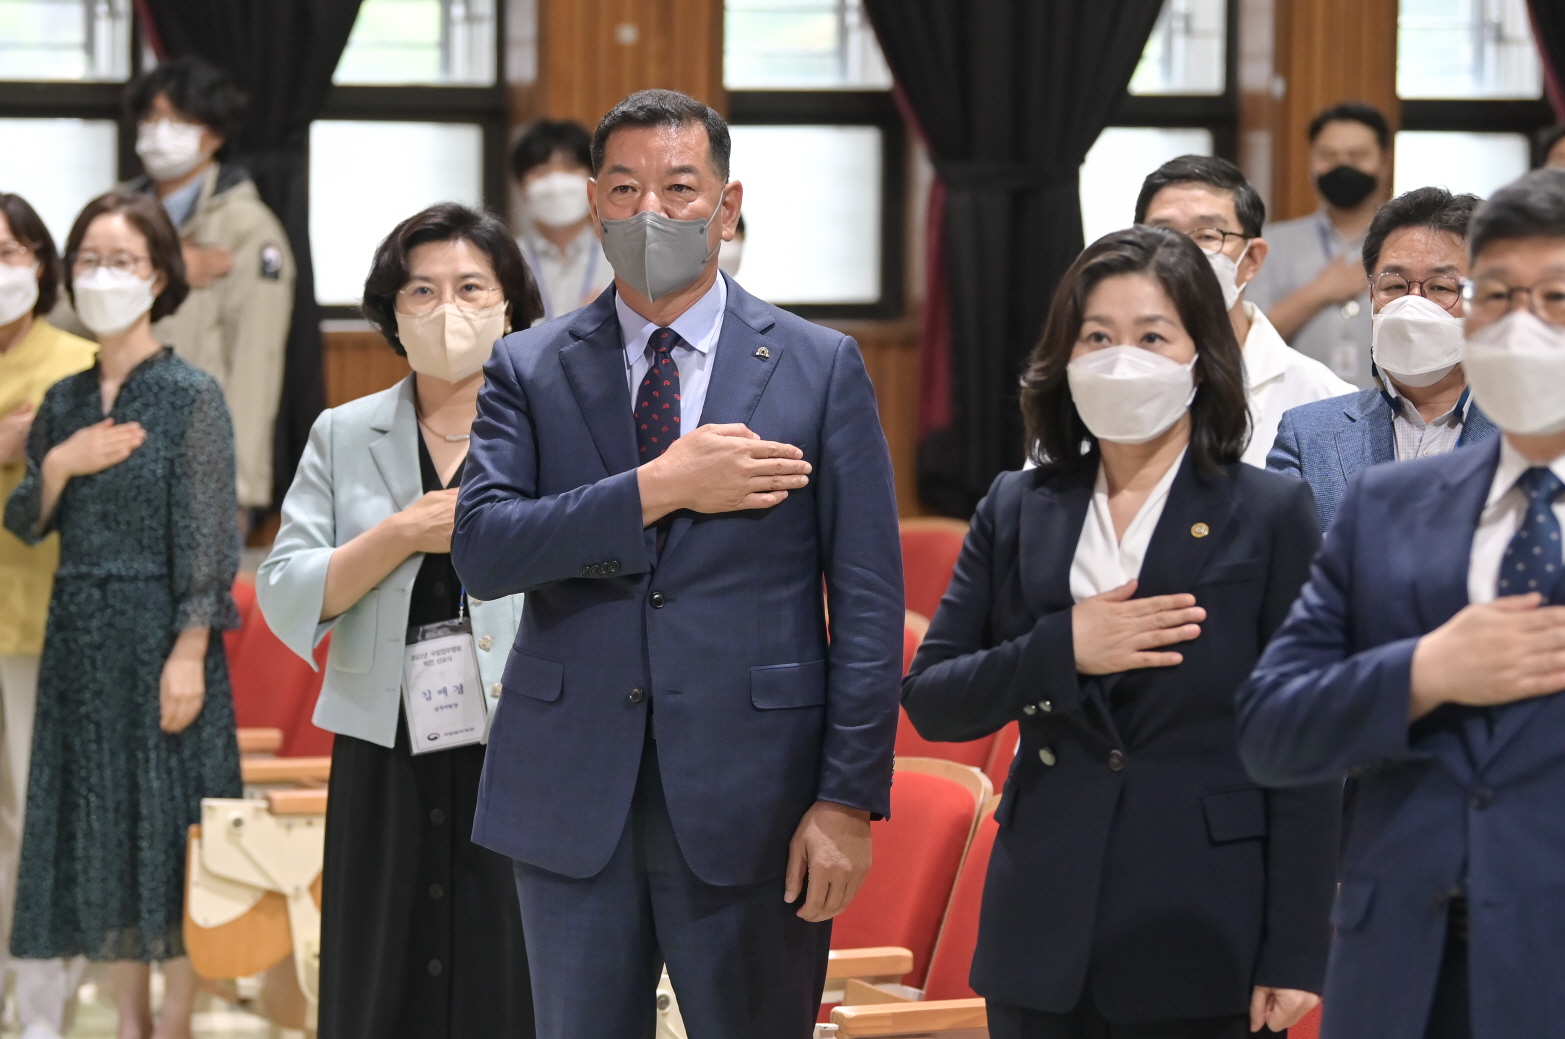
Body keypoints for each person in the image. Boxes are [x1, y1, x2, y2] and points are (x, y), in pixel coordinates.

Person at [452, 89, 903, 1038]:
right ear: (593, 203)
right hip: (571, 792)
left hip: (761, 799)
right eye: (623, 189)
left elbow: (867, 604)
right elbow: (484, 549)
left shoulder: (819, 365)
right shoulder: (528, 365)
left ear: (726, 207)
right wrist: (655, 487)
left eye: (679, 188)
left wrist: (847, 797)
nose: (649, 211)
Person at [901, 225, 1337, 1039]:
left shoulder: (1269, 510)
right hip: (1042, 926)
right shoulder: (1016, 504)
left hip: (1205, 923)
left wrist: (1296, 947)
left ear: (1201, 355)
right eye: (1097, 337)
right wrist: (1061, 649)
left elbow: (1304, 742)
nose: (1120, 359)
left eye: (1151, 336)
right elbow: (933, 699)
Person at [1237, 167, 1565, 1039]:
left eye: (1555, 298)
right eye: (1500, 295)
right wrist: (1423, 671)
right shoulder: (1387, 503)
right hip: (1398, 958)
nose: (1524, 322)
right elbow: (1271, 723)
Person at [256, 202, 542, 1039]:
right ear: (391, 310)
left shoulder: (551, 431)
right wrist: (397, 534)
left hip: (519, 735)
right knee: (378, 967)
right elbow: (286, 587)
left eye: (470, 287)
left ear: (509, 307)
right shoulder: (343, 432)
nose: (446, 308)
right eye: (421, 290)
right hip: (382, 741)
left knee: (506, 967)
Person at [2, 190, 241, 1039]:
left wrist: (189, 650)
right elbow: (25, 518)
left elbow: (211, 537)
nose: (104, 276)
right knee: (101, 833)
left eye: (123, 261)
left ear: (160, 276)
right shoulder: (65, 398)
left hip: (161, 634)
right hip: (77, 635)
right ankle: (126, 1016)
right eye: (91, 260)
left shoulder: (190, 394)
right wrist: (58, 463)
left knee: (169, 830)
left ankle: (174, 1020)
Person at [0, 194, 96, 1039]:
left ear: (39, 261)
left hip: (44, 621)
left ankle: (41, 1008)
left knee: (38, 820)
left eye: (8, 251)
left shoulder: (79, 362)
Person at [123, 55, 295, 515]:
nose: (160, 133)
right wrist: (164, 270)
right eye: (151, 118)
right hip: (112, 448)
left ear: (215, 133)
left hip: (197, 460)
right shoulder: (114, 214)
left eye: (178, 120)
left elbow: (255, 362)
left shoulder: (246, 227)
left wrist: (236, 485)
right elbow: (63, 311)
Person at [1268, 187, 1498, 529]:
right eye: (1394, 286)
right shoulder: (1308, 435)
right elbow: (1281, 555)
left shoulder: (1532, 434)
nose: (1412, 304)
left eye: (1440, 287)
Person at [1136, 155, 1353, 467]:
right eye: (1164, 234)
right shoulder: (1109, 377)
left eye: (1208, 236)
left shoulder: (1323, 398)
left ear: (1252, 259)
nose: (1182, 253)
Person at [1247, 103, 1392, 388]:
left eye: (1357, 155)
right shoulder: (1269, 243)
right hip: (1295, 404)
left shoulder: (1405, 244)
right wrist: (1320, 292)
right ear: (1312, 161)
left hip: (1389, 405)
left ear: (1384, 162)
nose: (1342, 165)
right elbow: (1247, 338)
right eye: (1329, 155)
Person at [511, 118, 613, 321]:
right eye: (541, 170)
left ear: (594, 183)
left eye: (570, 168)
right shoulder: (505, 261)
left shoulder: (621, 260)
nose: (556, 184)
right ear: (522, 188)